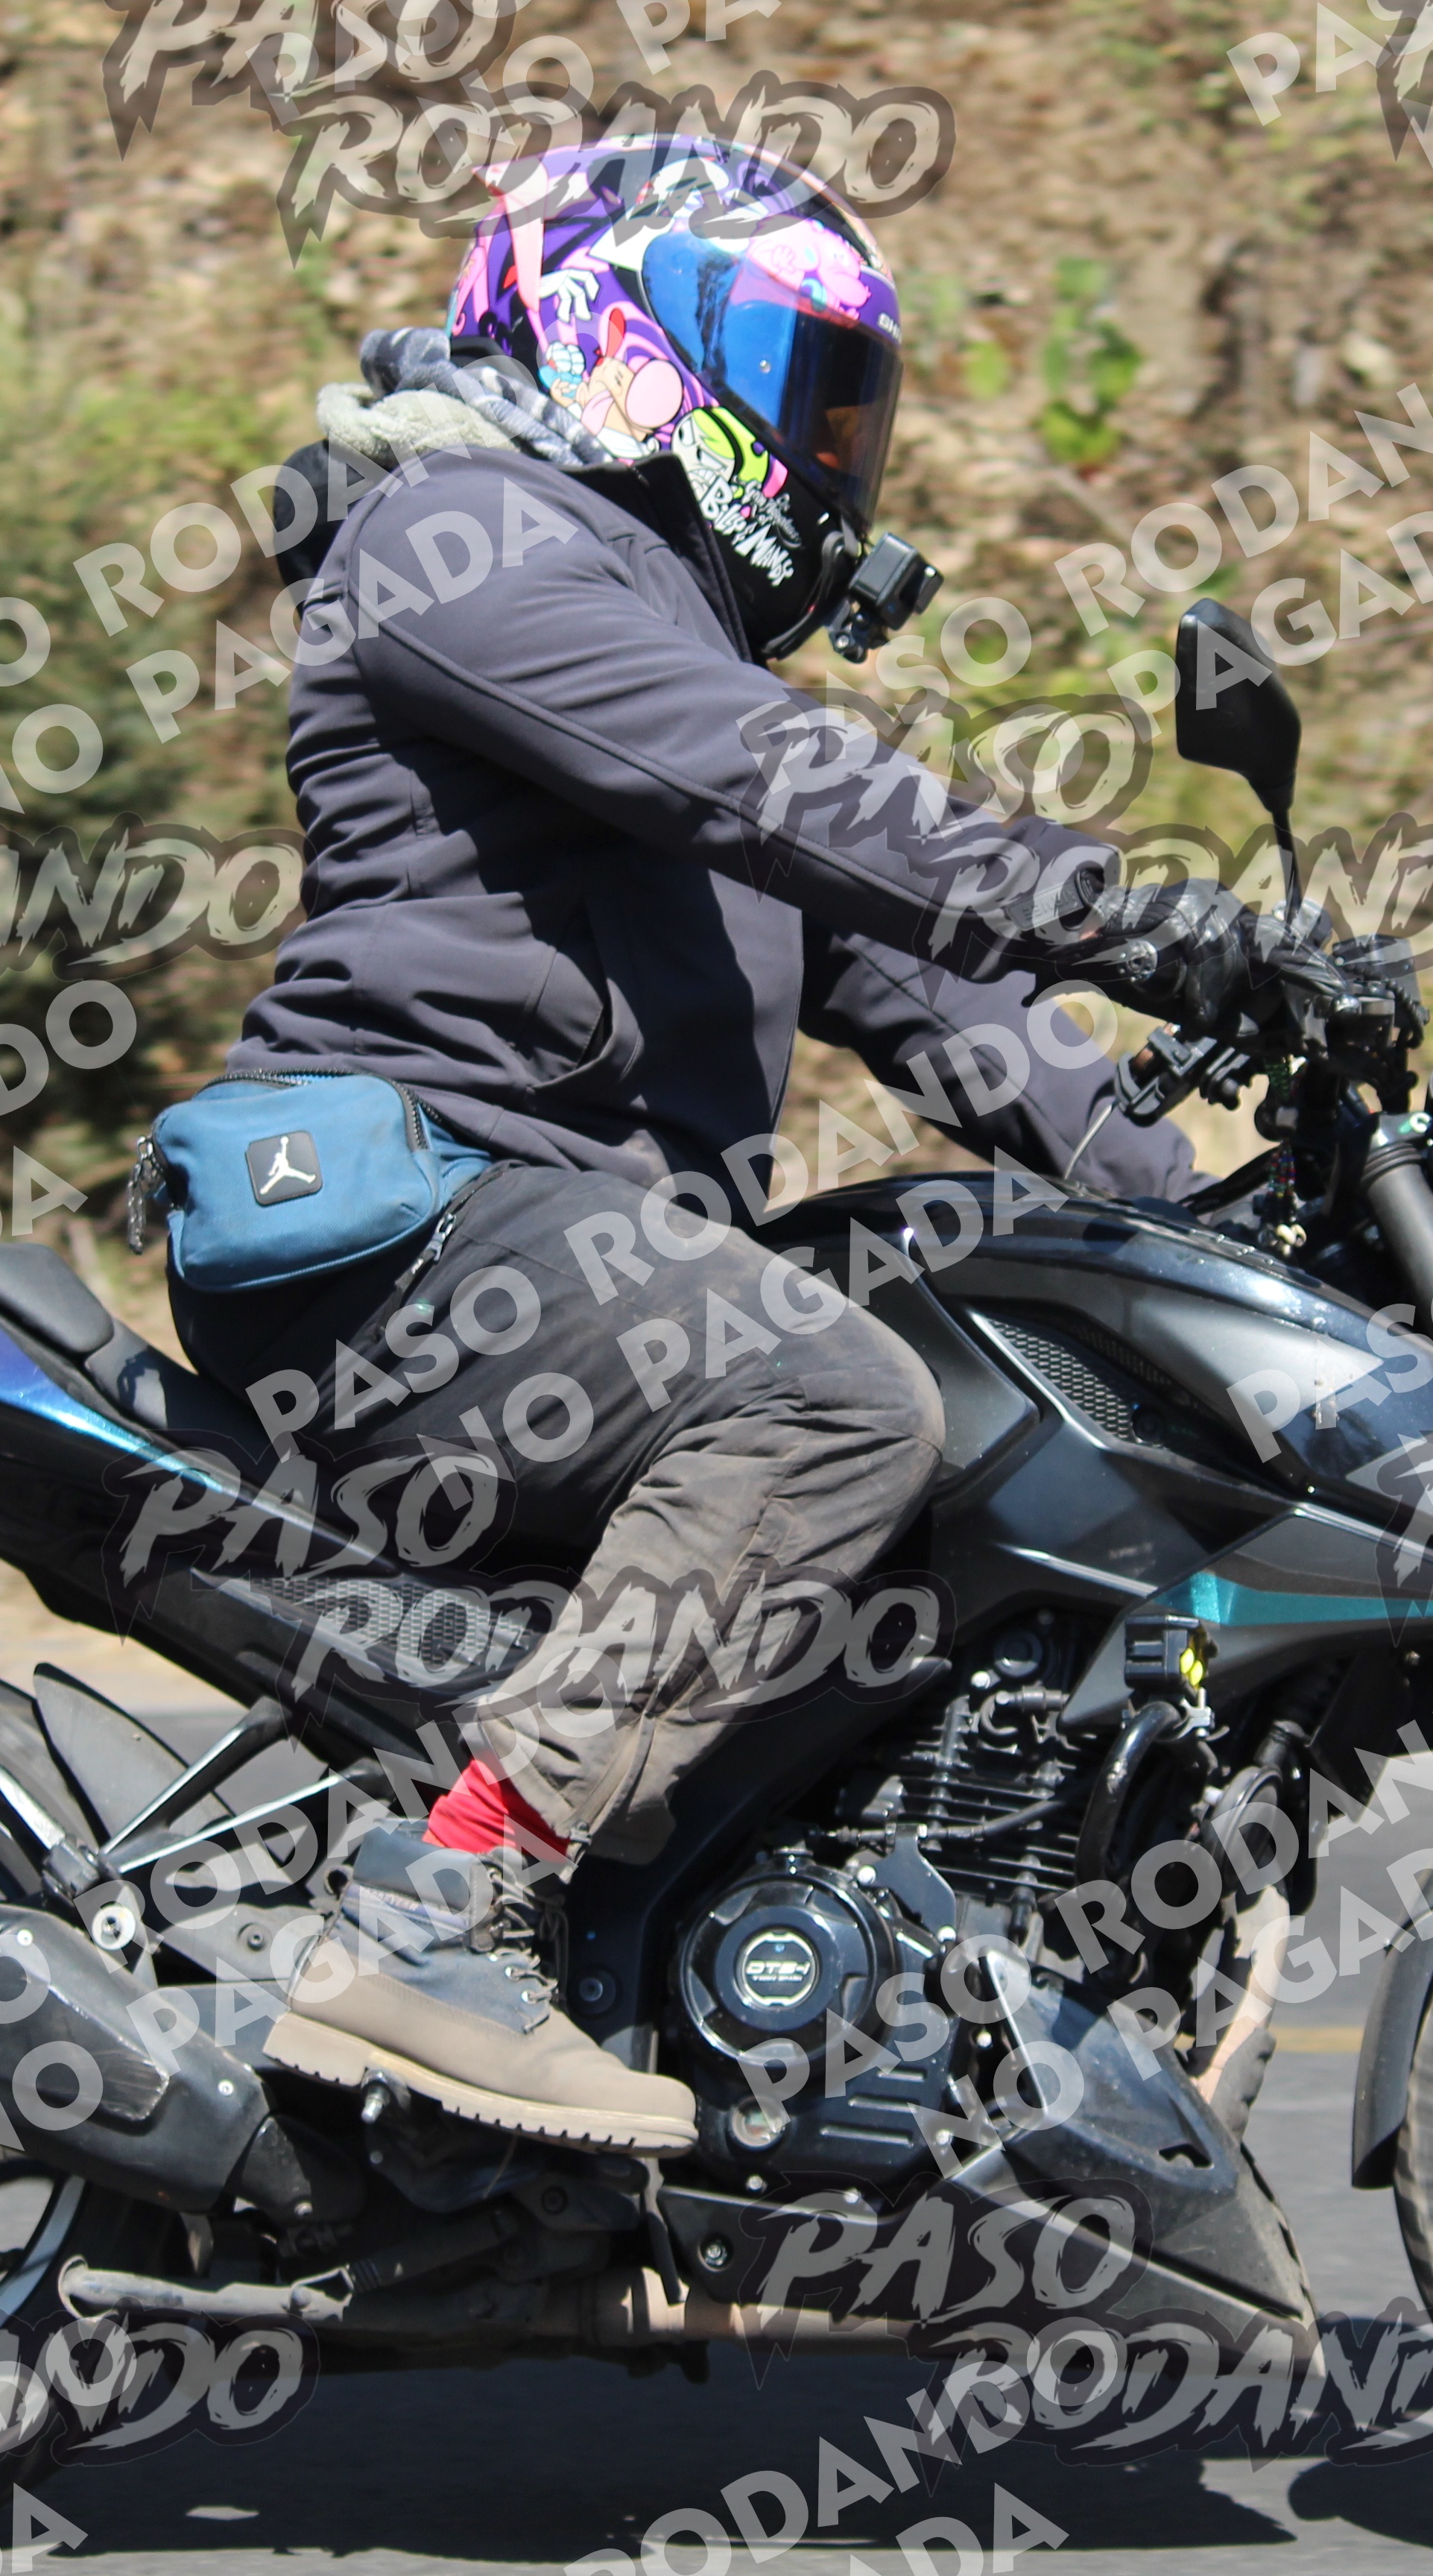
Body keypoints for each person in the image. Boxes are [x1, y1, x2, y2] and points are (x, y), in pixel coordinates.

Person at [173, 138, 1258, 2155]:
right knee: (834, 1400)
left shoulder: (655, 641)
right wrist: (1122, 909)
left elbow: (944, 1007)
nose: (838, 450)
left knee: (977, 1325)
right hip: (399, 1228)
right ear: (624, 338)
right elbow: (776, 786)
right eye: (805, 389)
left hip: (555, 1249)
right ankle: (444, 1911)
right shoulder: (459, 536)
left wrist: (1213, 1224)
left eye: (855, 406)